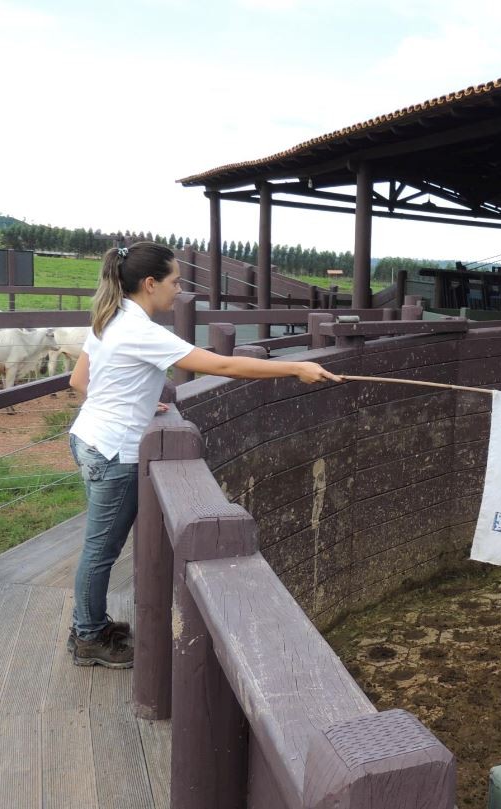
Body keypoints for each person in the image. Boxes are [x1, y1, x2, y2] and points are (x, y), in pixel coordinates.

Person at [66, 242, 341, 668]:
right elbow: (225, 366)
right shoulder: (141, 330)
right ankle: (87, 637)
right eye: (175, 282)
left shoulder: (110, 317)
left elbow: (79, 380)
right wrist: (294, 367)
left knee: (98, 547)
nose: (178, 290)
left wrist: (136, 401)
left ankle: (92, 624)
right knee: (100, 550)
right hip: (114, 450)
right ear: (151, 283)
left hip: (87, 437)